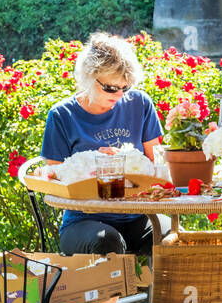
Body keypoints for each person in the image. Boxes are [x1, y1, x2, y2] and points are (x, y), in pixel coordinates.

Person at [40, 33, 163, 257]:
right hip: (84, 220)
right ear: (89, 77)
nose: (118, 95)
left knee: (170, 239)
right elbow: (55, 179)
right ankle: (117, 294)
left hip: (137, 215)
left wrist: (130, 162)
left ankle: (161, 294)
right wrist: (91, 163)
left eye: (124, 88)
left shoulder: (139, 103)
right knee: (107, 242)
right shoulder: (62, 115)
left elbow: (157, 164)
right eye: (110, 88)